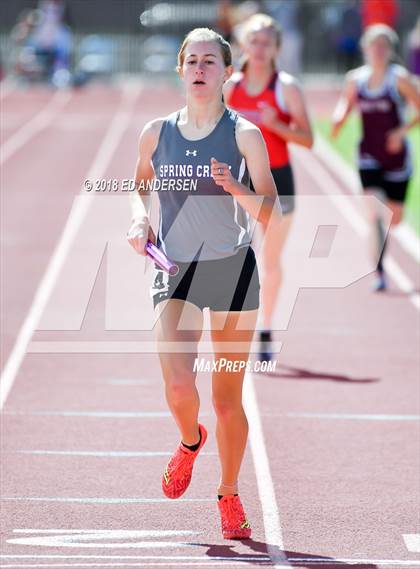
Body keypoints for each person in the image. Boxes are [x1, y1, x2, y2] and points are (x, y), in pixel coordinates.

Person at [127, 28, 281, 539]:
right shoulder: (155, 131)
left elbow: (271, 210)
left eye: (209, 61)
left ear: (226, 72)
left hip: (232, 272)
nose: (199, 69)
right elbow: (139, 185)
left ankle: (230, 493)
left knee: (226, 397)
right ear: (179, 69)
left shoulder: (244, 135)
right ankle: (190, 442)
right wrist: (138, 220)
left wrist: (234, 185)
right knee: (177, 384)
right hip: (174, 273)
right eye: (191, 60)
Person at [224, 13, 313, 361]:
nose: (260, 49)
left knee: (270, 260)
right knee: (233, 257)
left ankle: (266, 328)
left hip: (279, 182)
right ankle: (234, 323)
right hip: (240, 181)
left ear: (277, 47)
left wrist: (277, 126)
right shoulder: (230, 87)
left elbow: (307, 139)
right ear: (243, 45)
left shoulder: (286, 87)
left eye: (267, 42)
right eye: (254, 41)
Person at [332, 24, 419, 291]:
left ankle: (382, 251)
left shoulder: (399, 78)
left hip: (396, 158)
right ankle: (380, 272)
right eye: (373, 46)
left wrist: (400, 132)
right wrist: (339, 118)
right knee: (375, 211)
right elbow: (345, 104)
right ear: (365, 49)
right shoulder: (355, 79)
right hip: (368, 153)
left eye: (383, 46)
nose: (378, 51)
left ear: (390, 50)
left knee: (396, 217)